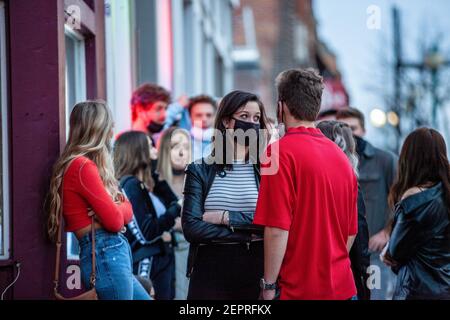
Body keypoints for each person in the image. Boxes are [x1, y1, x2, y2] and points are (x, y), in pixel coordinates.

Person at [254, 69, 358, 300]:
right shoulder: (342, 158)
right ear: (316, 107)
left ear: (281, 108)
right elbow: (350, 232)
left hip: (298, 291)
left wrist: (268, 286)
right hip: (342, 288)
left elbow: (277, 229)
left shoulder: (278, 152)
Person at [47, 101, 151, 300]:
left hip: (110, 252)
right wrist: (116, 207)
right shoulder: (82, 166)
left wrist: (116, 207)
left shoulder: (87, 166)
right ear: (99, 129)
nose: (113, 131)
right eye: (110, 125)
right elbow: (116, 221)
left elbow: (126, 211)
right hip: (105, 251)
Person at [182, 90, 270, 300]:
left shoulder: (268, 170)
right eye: (244, 117)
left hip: (255, 270)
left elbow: (272, 221)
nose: (252, 123)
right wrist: (245, 235)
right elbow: (192, 228)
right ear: (226, 121)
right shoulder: (199, 169)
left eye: (256, 118)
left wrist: (225, 217)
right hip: (209, 272)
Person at [381, 128, 450, 300]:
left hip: (417, 291)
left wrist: (386, 251)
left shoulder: (414, 199)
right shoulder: (446, 193)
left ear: (408, 158)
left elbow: (395, 253)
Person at [337, 108, 398, 299]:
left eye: (353, 128)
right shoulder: (334, 161)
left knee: (375, 296)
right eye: (345, 129)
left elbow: (402, 200)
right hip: (343, 255)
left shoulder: (385, 160)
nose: (351, 134)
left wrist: (387, 232)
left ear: (363, 130)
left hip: (373, 254)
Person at [114, 131, 181, 300]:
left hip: (163, 260)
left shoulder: (146, 185)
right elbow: (146, 233)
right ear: (138, 151)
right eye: (150, 146)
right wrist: (174, 211)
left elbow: (174, 202)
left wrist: (155, 176)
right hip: (146, 261)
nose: (156, 150)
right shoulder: (130, 185)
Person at [317, 120, 371, 300]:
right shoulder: (350, 184)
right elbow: (359, 239)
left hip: (331, 277)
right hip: (341, 277)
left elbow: (358, 236)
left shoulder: (347, 186)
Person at [157, 127, 192, 300]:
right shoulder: (153, 183)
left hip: (191, 257)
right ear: (164, 150)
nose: (181, 152)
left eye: (186, 147)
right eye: (175, 146)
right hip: (162, 259)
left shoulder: (197, 182)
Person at [187, 95, 217, 161]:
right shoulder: (183, 141)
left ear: (215, 116)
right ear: (190, 117)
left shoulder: (225, 142)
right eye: (199, 115)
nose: (204, 119)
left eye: (209, 115)